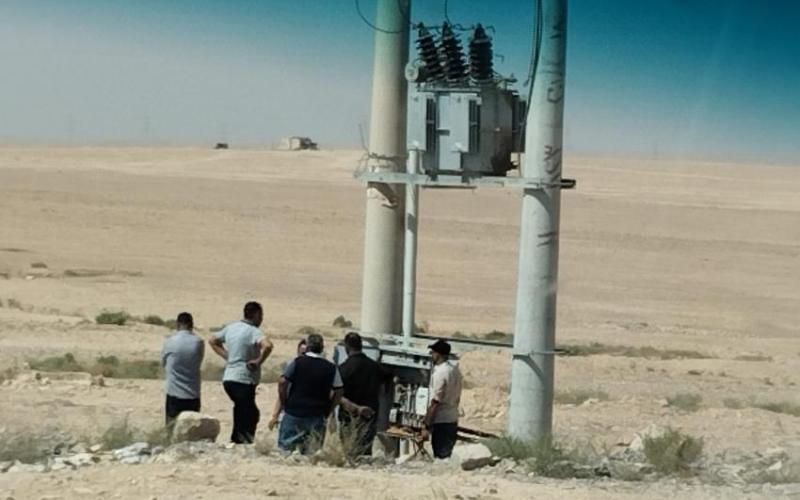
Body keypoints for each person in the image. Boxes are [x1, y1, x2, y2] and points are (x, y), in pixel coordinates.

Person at [209, 301, 273, 444]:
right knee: (248, 413)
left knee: (243, 409)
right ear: (256, 314)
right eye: (261, 315)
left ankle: (241, 439)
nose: (261, 319)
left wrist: (228, 356)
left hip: (229, 378)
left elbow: (213, 340)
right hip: (243, 379)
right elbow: (268, 345)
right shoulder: (253, 331)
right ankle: (240, 441)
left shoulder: (231, 327)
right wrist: (258, 361)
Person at [278, 333, 343, 454]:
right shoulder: (331, 368)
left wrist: (284, 401)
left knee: (285, 451)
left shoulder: (298, 362)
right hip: (317, 414)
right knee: (312, 453)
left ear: (307, 347)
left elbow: (282, 382)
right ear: (322, 348)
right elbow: (339, 390)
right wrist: (329, 409)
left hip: (294, 411)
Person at [337, 332, 384, 456]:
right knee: (365, 454)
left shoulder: (343, 369)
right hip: (369, 416)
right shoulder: (375, 367)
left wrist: (355, 408)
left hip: (349, 418)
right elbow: (385, 384)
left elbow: (337, 394)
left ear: (347, 347)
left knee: (348, 452)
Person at [160, 312, 204, 430]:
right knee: (191, 430)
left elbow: (163, 363)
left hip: (174, 393)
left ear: (177, 324)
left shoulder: (170, 341)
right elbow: (199, 360)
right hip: (193, 393)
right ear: (191, 325)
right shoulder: (198, 342)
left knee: (171, 429)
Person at [422, 339, 463, 459]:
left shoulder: (440, 373)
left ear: (438, 354)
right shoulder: (455, 371)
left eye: (433, 352)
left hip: (441, 421)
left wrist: (426, 425)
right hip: (452, 418)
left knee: (440, 456)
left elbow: (435, 402)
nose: (432, 355)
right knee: (446, 455)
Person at [267, 338, 307, 431]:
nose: (303, 356)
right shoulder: (291, 367)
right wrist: (275, 416)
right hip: (289, 411)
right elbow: (282, 393)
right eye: (301, 353)